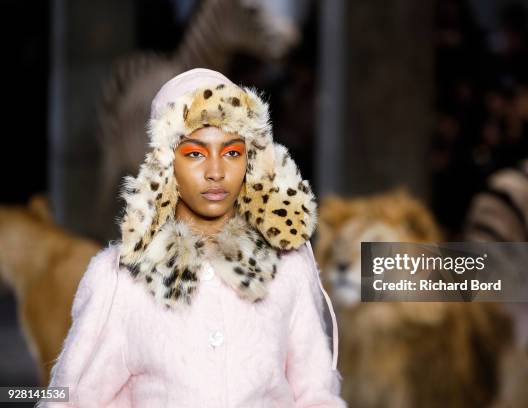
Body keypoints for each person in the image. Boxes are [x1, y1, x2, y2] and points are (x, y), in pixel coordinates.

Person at [39, 68, 346, 407]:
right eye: (195, 153)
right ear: (166, 161)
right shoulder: (120, 282)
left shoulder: (287, 269)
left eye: (231, 152)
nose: (216, 172)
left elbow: (315, 396)